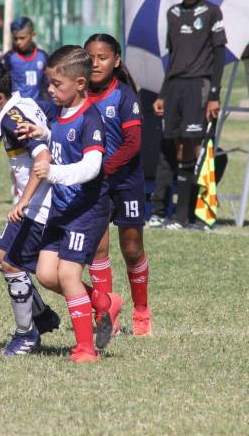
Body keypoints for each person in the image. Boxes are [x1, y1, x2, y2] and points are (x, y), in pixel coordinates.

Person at [16, 45, 117, 363]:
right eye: (49, 82)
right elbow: (63, 141)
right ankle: (104, 303)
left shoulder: (91, 119)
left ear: (80, 84)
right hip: (62, 208)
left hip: (87, 210)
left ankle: (86, 349)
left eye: (57, 84)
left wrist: (53, 173)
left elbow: (92, 167)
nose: (50, 89)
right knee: (47, 275)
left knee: (69, 276)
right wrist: (43, 133)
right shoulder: (59, 112)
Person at [0, 58, 62, 356]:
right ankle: (42, 316)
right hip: (38, 201)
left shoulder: (10, 118)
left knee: (12, 264)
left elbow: (43, 158)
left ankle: (26, 335)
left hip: (40, 205)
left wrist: (24, 200)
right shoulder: (24, 104)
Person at [151, 0, 227, 230]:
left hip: (199, 86)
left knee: (192, 147)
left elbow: (219, 54)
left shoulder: (212, 12)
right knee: (170, 145)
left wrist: (214, 94)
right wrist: (162, 93)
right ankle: (160, 212)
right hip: (174, 87)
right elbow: (173, 57)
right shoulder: (172, 13)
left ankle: (186, 215)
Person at [85, 33, 151, 337]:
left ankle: (141, 312)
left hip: (126, 183)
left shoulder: (124, 96)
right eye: (90, 58)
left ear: (116, 61)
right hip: (94, 186)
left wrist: (104, 168)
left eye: (103, 57)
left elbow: (133, 144)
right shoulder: (79, 95)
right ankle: (106, 316)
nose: (96, 63)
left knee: (132, 249)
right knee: (98, 251)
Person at [2, 17, 56, 123]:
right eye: (15, 39)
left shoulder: (42, 56)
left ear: (33, 35)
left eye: (22, 38)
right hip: (17, 110)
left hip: (39, 109)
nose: (18, 42)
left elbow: (49, 83)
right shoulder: (9, 58)